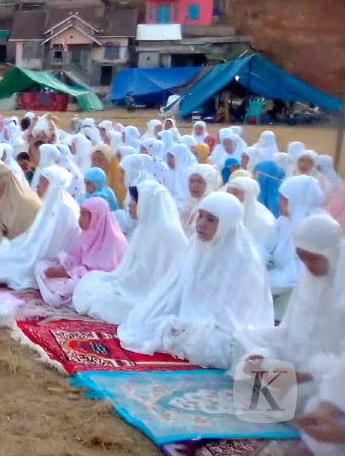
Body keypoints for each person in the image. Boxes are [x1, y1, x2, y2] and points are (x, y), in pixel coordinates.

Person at [118, 193, 274, 369]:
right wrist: (183, 319)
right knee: (150, 322)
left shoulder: (243, 258)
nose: (201, 223)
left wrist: (197, 322)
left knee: (212, 345)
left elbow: (234, 314)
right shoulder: (195, 245)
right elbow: (176, 288)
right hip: (192, 315)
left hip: (222, 326)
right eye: (200, 215)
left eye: (211, 219)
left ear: (226, 222)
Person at [238, 215, 345, 413]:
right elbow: (290, 331)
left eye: (314, 258)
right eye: (302, 258)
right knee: (248, 361)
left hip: (329, 381)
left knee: (308, 406)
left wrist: (304, 376)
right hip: (295, 368)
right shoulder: (307, 280)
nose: (308, 265)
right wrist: (257, 349)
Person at [74, 182, 187, 324]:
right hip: (134, 284)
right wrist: (120, 282)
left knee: (105, 301)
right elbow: (130, 267)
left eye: (134, 201)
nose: (129, 205)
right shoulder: (145, 228)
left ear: (146, 204)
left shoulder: (166, 233)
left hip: (150, 292)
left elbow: (148, 276)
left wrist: (122, 285)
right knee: (90, 283)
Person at [0, 166, 81, 290]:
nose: (38, 184)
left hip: (49, 256)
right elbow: (37, 235)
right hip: (37, 249)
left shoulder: (64, 207)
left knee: (10, 263)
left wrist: (29, 252)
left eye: (43, 181)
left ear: (52, 184)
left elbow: (51, 244)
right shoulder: (52, 202)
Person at [34, 196, 127, 307]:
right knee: (41, 266)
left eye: (83, 214)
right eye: (80, 213)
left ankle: (61, 296)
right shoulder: (86, 234)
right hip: (77, 275)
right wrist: (64, 267)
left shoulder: (113, 241)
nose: (79, 218)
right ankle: (61, 295)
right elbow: (75, 257)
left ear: (96, 218)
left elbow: (101, 275)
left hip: (96, 283)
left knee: (73, 286)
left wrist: (65, 274)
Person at [178, 164, 221, 236]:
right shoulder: (188, 203)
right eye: (191, 181)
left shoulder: (214, 207)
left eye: (199, 181)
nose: (194, 185)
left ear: (209, 183)